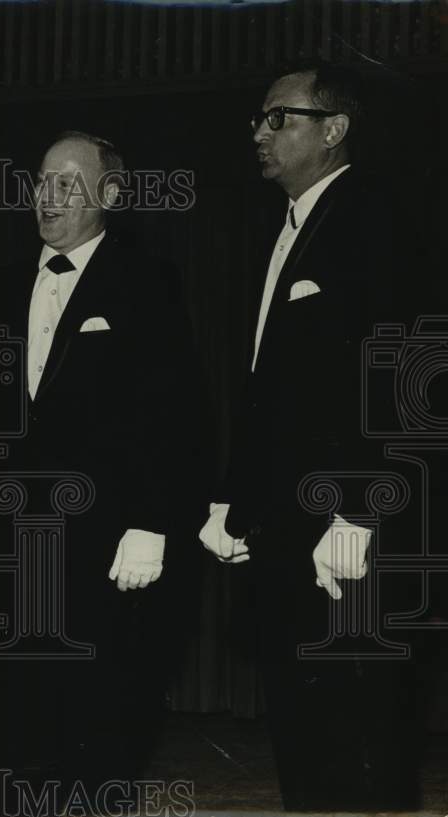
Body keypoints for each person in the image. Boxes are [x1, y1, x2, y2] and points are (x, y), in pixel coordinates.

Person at [0, 132, 201, 815]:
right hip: (11, 540)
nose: (48, 196)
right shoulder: (3, 283)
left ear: (110, 194)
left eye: (68, 182)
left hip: (102, 544)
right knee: (13, 724)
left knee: (99, 726)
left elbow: (171, 411)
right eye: (41, 181)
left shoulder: (147, 279)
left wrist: (151, 521)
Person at [199, 62, 422, 811]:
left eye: (279, 118)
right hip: (290, 522)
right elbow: (273, 391)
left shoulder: (372, 215)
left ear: (334, 131)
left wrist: (360, 508)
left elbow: (399, 366)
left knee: (359, 728)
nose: (259, 133)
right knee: (306, 724)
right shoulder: (290, 227)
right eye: (258, 120)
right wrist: (233, 500)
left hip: (345, 523)